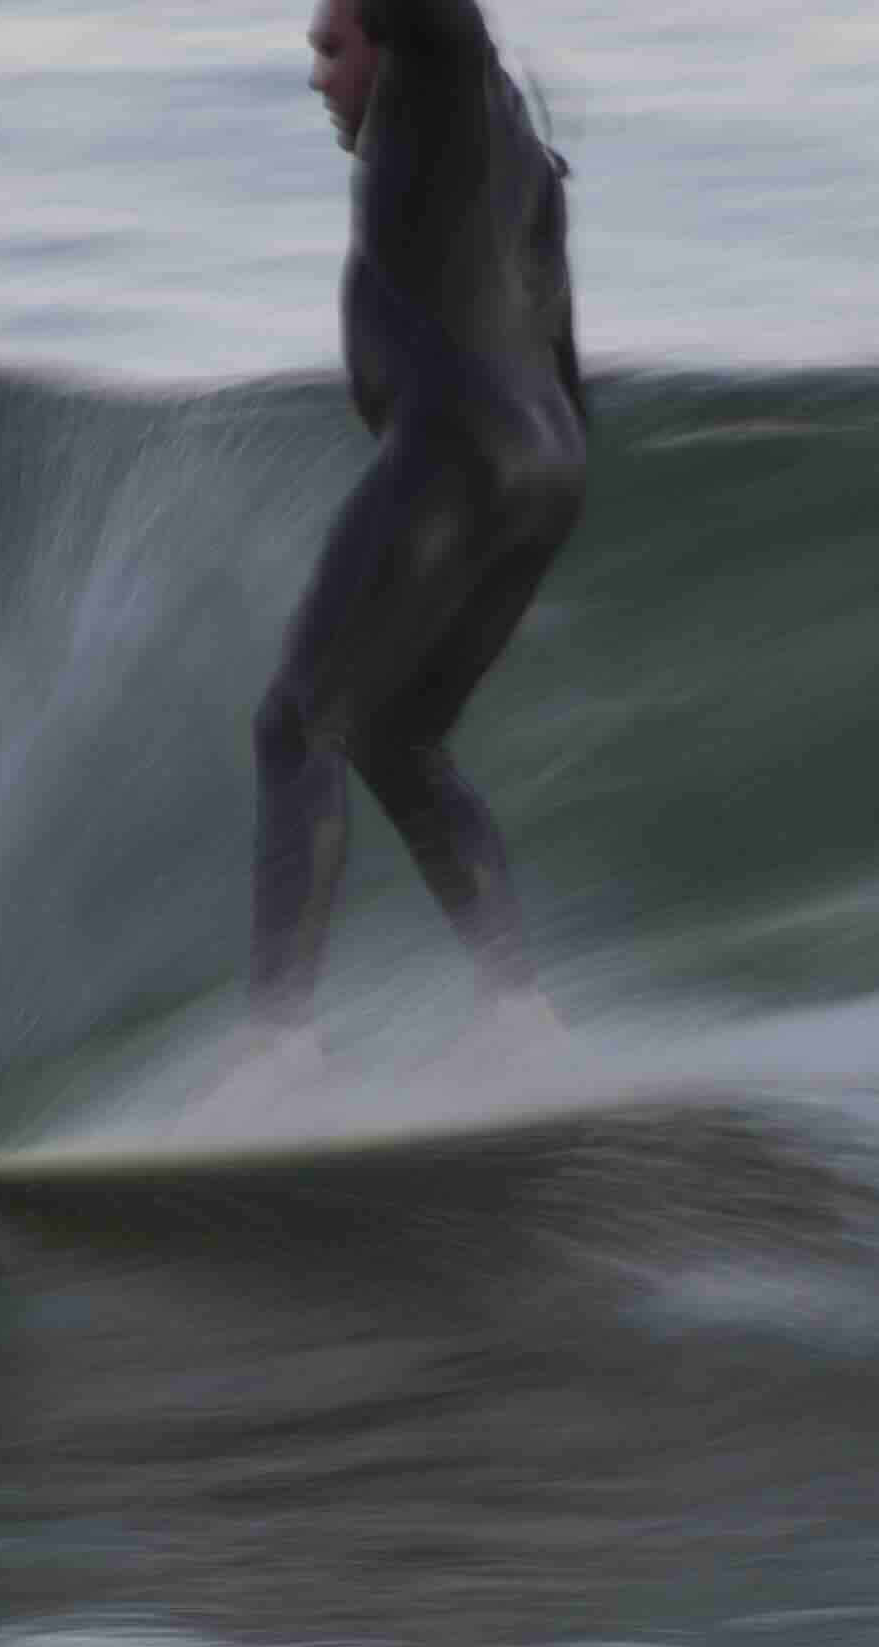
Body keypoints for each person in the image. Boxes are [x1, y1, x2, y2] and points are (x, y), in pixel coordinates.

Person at [232, 0, 588, 1086]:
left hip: (458, 447)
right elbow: (559, 351)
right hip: (547, 464)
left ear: (393, 43)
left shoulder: (438, 90)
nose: (317, 78)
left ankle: (278, 1053)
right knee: (397, 738)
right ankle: (519, 1020)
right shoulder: (510, 157)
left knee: (297, 724)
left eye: (333, 50)